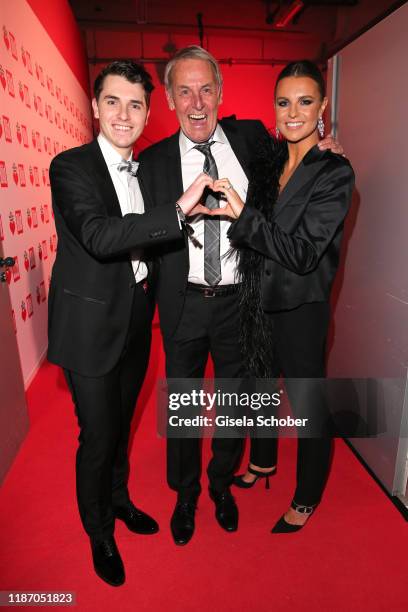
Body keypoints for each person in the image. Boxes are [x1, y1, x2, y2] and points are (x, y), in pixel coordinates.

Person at [137, 46, 343, 544]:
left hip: (240, 302)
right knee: (184, 406)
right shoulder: (151, 163)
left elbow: (298, 164)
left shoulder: (252, 139)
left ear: (221, 93)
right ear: (167, 98)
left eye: (206, 89)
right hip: (184, 301)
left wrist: (327, 149)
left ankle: (221, 485)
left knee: (237, 402)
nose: (197, 101)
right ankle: (185, 495)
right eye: (184, 91)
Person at [48, 60, 206, 586]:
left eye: (135, 104)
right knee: (97, 436)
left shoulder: (147, 170)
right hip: (88, 327)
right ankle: (98, 532)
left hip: (137, 317)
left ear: (147, 114)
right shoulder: (70, 167)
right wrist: (179, 212)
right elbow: (98, 235)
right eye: (112, 101)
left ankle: (118, 502)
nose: (123, 113)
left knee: (122, 429)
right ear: (94, 107)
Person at [208, 59, 355, 532]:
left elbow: (304, 252)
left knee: (309, 406)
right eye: (284, 102)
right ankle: (264, 461)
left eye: (306, 101)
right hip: (258, 299)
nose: (293, 113)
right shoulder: (269, 159)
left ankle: (307, 496)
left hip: (301, 306)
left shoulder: (334, 173)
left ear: (323, 107)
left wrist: (242, 217)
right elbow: (225, 128)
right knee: (258, 387)